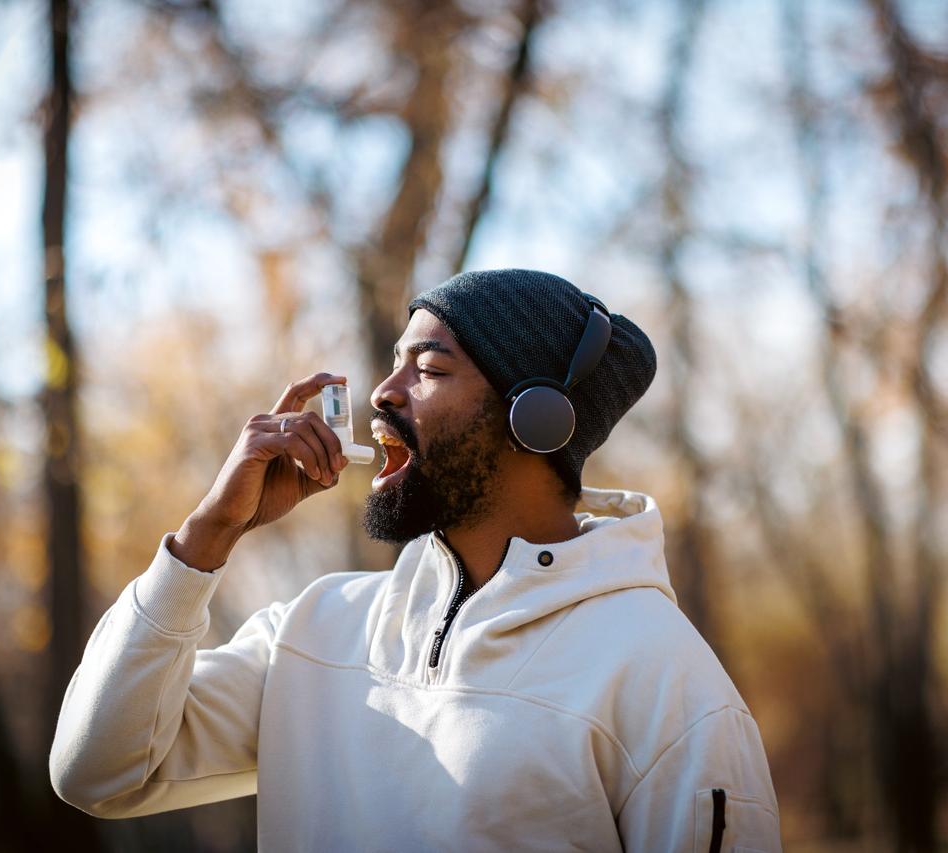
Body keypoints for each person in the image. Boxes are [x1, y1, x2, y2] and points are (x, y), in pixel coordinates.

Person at [49, 269, 782, 851]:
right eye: (395, 363)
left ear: (535, 417)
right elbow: (98, 772)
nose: (381, 392)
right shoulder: (313, 631)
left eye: (428, 368)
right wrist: (207, 535)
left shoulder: (662, 674)